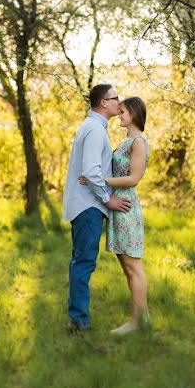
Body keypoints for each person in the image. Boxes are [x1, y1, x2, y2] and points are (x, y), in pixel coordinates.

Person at [62, 84, 132, 332]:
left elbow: (91, 171)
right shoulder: (94, 130)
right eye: (115, 98)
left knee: (81, 261)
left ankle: (77, 318)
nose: (119, 102)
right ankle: (79, 322)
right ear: (104, 102)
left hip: (86, 205)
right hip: (88, 207)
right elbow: (91, 171)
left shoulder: (94, 128)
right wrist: (107, 198)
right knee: (83, 263)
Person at [81, 97, 151, 335]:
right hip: (118, 207)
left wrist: (98, 181)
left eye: (122, 112)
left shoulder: (139, 142)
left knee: (133, 267)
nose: (119, 115)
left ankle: (136, 322)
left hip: (127, 207)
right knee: (127, 266)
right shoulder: (127, 141)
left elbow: (133, 178)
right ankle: (144, 319)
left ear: (133, 112)